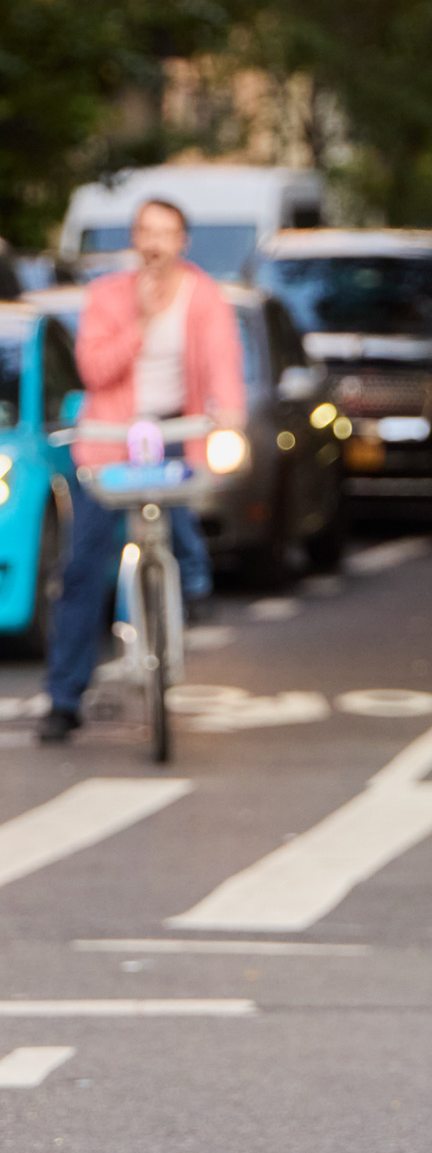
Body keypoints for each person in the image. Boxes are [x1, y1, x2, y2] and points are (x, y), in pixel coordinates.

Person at [39, 199, 245, 744]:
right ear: (135, 239)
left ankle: (190, 589)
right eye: (147, 232)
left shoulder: (205, 297)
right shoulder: (107, 296)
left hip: (176, 436)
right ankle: (63, 698)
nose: (156, 244)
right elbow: (94, 369)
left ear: (184, 241)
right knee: (82, 567)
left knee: (182, 533)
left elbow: (225, 369)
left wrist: (229, 419)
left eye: (167, 233)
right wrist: (141, 321)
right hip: (110, 442)